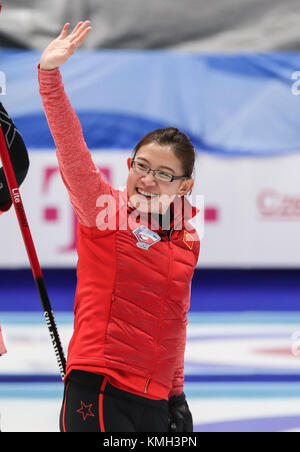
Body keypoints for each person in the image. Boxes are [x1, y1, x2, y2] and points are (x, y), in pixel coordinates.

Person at [38, 21, 200, 433]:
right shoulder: (103, 210)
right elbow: (71, 146)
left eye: (163, 173)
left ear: (186, 186)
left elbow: (175, 321)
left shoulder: (187, 241)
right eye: (141, 166)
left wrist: (177, 392)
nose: (146, 179)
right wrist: (50, 78)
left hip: (156, 399)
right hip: (99, 388)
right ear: (129, 165)